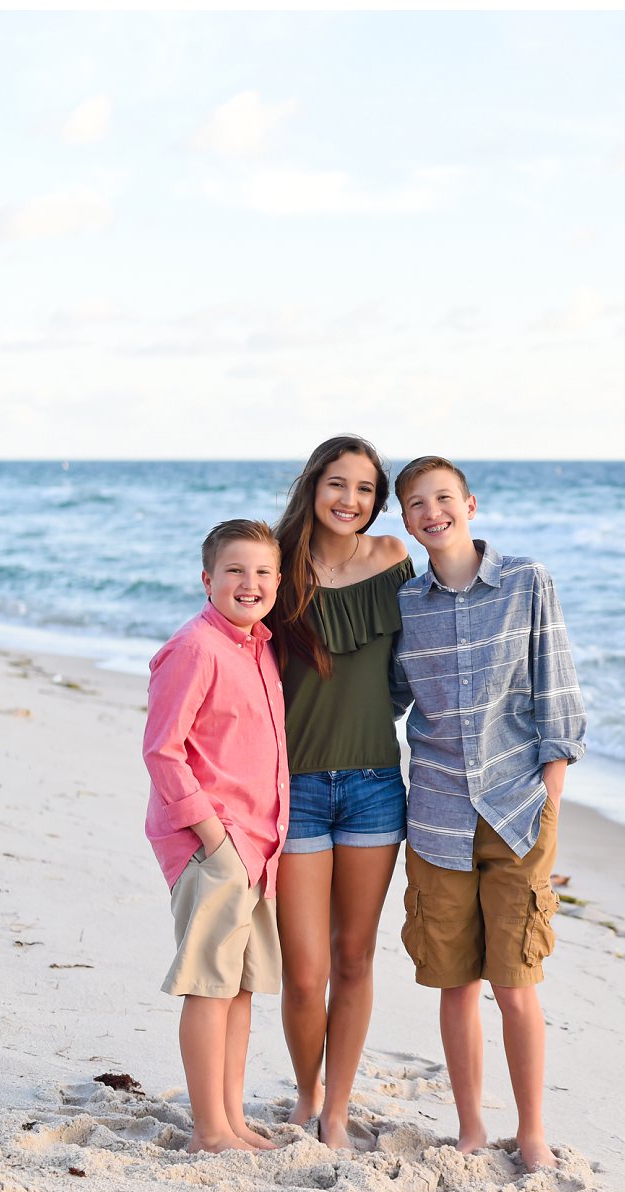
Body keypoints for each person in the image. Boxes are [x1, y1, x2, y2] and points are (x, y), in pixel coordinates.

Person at [389, 455, 586, 1170]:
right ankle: (471, 1127)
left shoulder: (528, 581)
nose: (431, 510)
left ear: (470, 503)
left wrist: (551, 796)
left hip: (518, 810)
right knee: (454, 980)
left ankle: (531, 1129)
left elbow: (556, 689)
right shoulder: (408, 603)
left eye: (443, 497)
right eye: (415, 502)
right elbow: (387, 699)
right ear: (404, 519)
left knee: (515, 980)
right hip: (437, 815)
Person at [271, 435, 415, 1148]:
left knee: (354, 957)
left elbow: (417, 663)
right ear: (313, 484)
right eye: (338, 483)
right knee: (305, 971)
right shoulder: (276, 563)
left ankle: (337, 1106)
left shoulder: (392, 559)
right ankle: (305, 1091)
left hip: (374, 785)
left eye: (365, 488)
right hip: (291, 786)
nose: (350, 500)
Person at [141, 519, 288, 1154]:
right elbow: (163, 751)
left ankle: (230, 1118)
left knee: (242, 986)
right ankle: (208, 1130)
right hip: (215, 844)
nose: (248, 583)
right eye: (235, 571)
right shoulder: (196, 648)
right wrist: (214, 838)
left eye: (261, 572)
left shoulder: (259, 648)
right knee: (209, 985)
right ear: (207, 579)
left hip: (260, 844)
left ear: (278, 583)